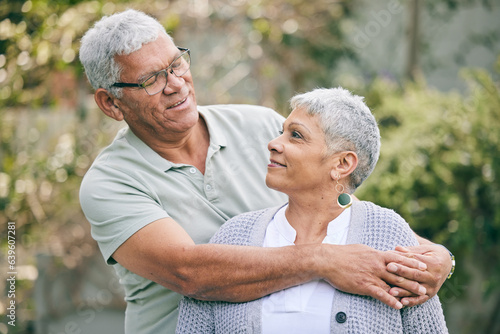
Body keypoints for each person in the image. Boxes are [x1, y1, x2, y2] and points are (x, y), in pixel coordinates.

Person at [78, 9, 454, 333]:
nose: (176, 85)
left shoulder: (257, 125)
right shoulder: (110, 184)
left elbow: (339, 205)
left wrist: (433, 256)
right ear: (111, 102)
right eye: (150, 80)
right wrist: (322, 259)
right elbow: (188, 273)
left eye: (176, 64)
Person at [176, 87, 449, 333]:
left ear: (342, 164)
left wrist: (446, 258)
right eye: (282, 131)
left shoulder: (387, 234)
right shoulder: (234, 235)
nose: (274, 143)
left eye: (296, 135)